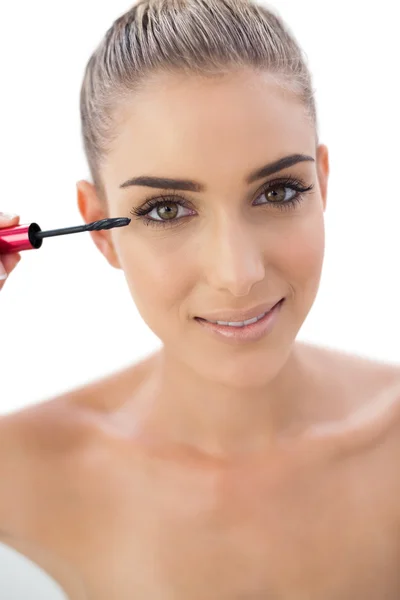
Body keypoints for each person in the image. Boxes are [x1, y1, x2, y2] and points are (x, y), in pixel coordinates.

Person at [1, 0, 400, 598]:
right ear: (100, 230)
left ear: (322, 183)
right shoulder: (17, 475)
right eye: (166, 209)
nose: (237, 273)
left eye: (279, 191)